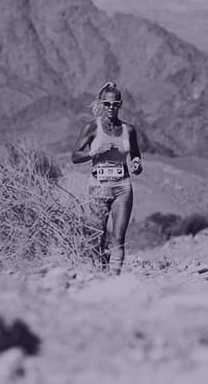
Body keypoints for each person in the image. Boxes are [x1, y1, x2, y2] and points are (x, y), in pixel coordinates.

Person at [71, 81, 143, 275]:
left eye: (115, 104)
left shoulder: (129, 130)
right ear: (101, 104)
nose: (111, 108)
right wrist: (94, 153)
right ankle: (100, 274)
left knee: (118, 236)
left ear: (120, 104)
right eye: (107, 104)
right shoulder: (91, 128)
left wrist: (137, 164)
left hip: (123, 187)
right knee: (98, 235)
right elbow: (75, 157)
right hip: (98, 187)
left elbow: (135, 154)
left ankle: (114, 279)